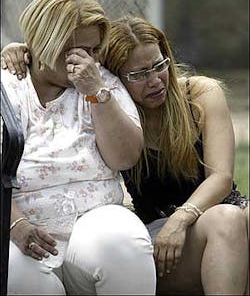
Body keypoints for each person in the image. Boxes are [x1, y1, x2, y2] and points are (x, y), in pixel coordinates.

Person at [2, 15, 249, 295]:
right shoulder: (115, 112)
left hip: (209, 214)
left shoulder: (200, 94)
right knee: (230, 221)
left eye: (159, 65)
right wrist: (22, 51)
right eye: (139, 74)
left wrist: (180, 220)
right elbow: (66, 51)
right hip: (159, 234)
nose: (155, 81)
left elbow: (221, 177)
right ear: (113, 76)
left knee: (236, 218)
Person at [0, 0, 156, 295]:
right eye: (78, 49)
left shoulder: (101, 83)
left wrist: (96, 93)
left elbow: (124, 158)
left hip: (92, 219)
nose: (90, 59)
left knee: (122, 243)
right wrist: (14, 225)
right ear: (46, 42)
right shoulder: (8, 86)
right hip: (20, 226)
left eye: (95, 50)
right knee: (17, 275)